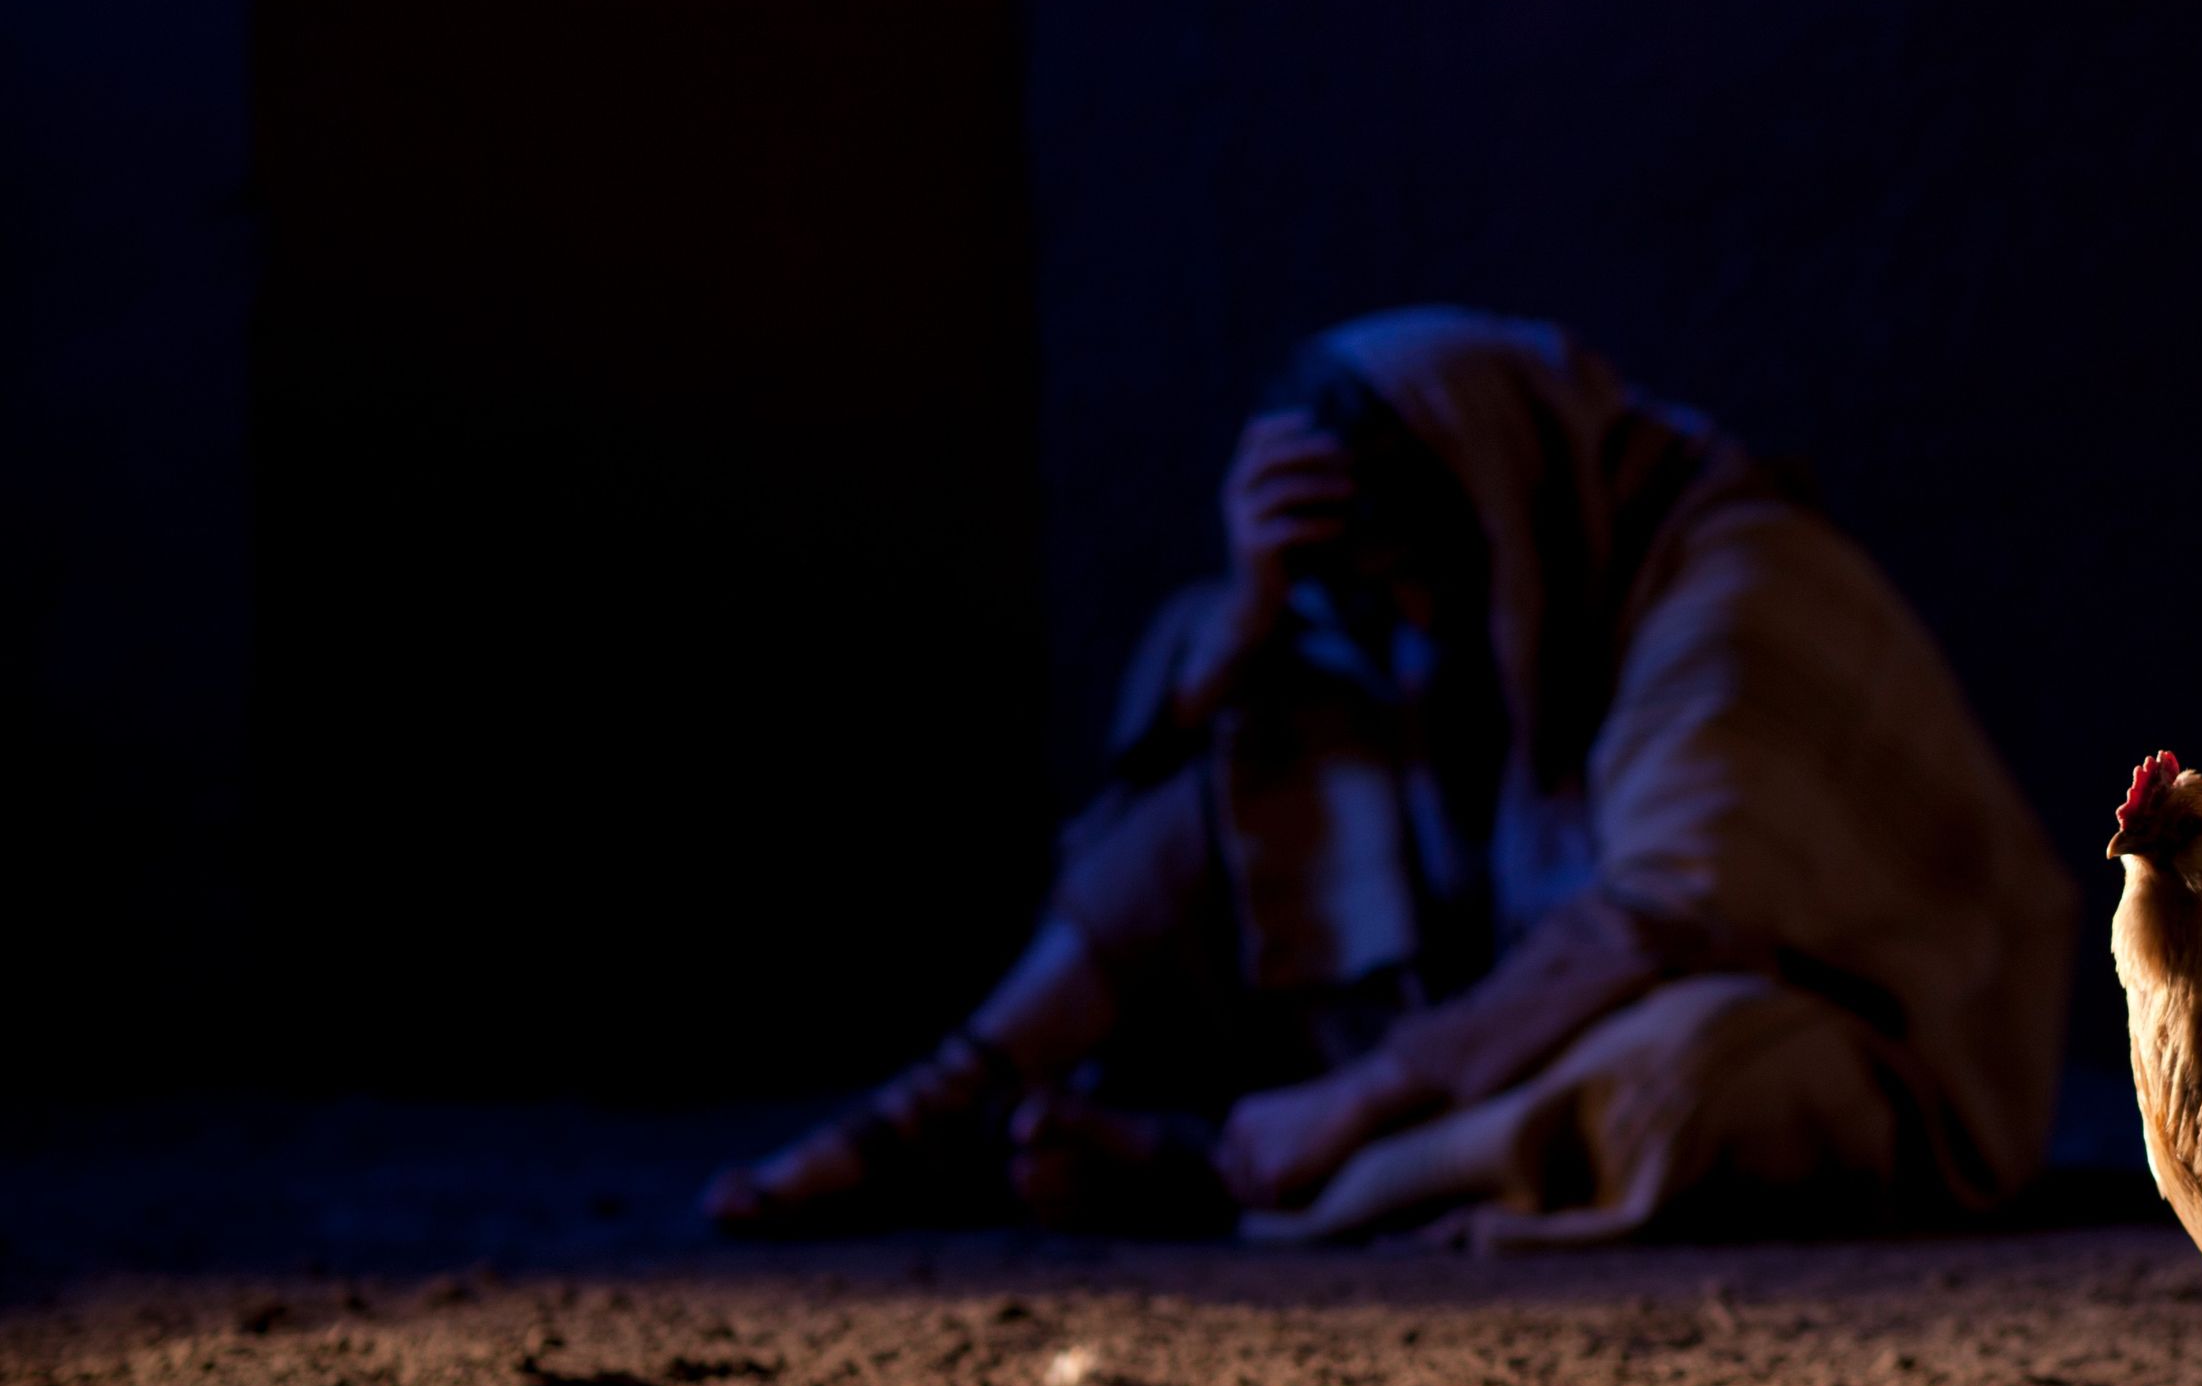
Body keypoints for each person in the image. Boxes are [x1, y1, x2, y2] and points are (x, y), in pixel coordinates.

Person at [703, 309, 2071, 1245]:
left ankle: (1222, 1178)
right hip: (1499, 1017)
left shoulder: (1738, 586)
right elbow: (1152, 840)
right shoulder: (1440, 642)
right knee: (1242, 760)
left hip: (1826, 1040)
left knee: (1688, 1078)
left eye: (1415, 580)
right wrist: (1246, 625)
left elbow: (1660, 919)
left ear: (1498, 519)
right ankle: (935, 1109)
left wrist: (1358, 1097)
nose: (1404, 630)